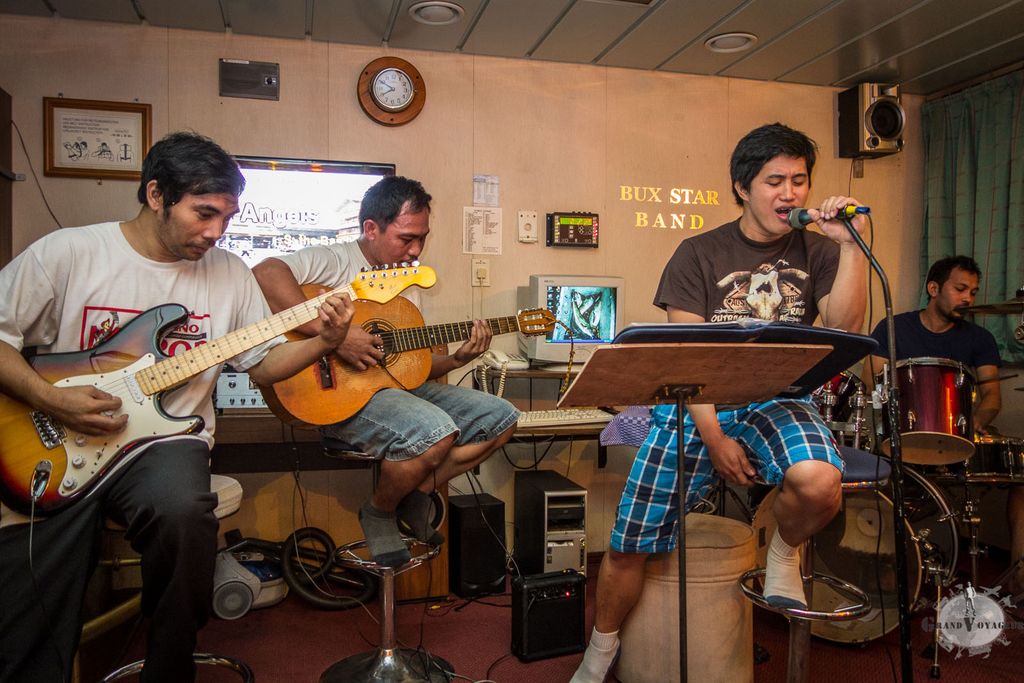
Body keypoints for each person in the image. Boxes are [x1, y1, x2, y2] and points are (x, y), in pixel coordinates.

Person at [0, 132, 354, 683]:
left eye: (228, 218)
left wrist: (324, 343)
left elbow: (260, 365)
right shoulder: (69, 252)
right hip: (59, 434)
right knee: (31, 567)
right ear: (156, 194)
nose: (216, 232)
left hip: (165, 443)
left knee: (185, 515)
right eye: (203, 213)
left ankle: (169, 667)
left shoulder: (230, 272)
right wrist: (51, 399)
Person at [572, 122, 869, 683]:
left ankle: (782, 554)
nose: (790, 194)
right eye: (774, 181)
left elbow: (845, 328)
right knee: (629, 544)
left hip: (776, 400)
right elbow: (687, 362)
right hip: (697, 403)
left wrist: (849, 245)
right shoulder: (697, 253)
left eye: (800, 181)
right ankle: (600, 651)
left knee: (820, 481)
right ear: (741, 187)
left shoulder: (822, 250)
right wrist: (714, 438)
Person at [253, 176, 518, 568]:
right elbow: (266, 272)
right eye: (406, 238)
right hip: (333, 398)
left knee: (503, 419)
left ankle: (415, 489)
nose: (415, 250)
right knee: (434, 433)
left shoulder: (405, 282)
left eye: (422, 239)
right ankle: (380, 510)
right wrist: (334, 338)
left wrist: (459, 359)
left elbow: (409, 369)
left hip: (391, 393)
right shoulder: (336, 260)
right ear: (371, 229)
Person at [865, 256, 1020, 592]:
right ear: (934, 289)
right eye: (961, 289)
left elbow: (992, 396)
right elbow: (875, 385)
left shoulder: (979, 339)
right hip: (905, 437)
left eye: (973, 292)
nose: (968, 299)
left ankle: (1018, 583)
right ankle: (891, 569)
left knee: (1021, 478)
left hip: (960, 438)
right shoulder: (893, 328)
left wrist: (976, 422)